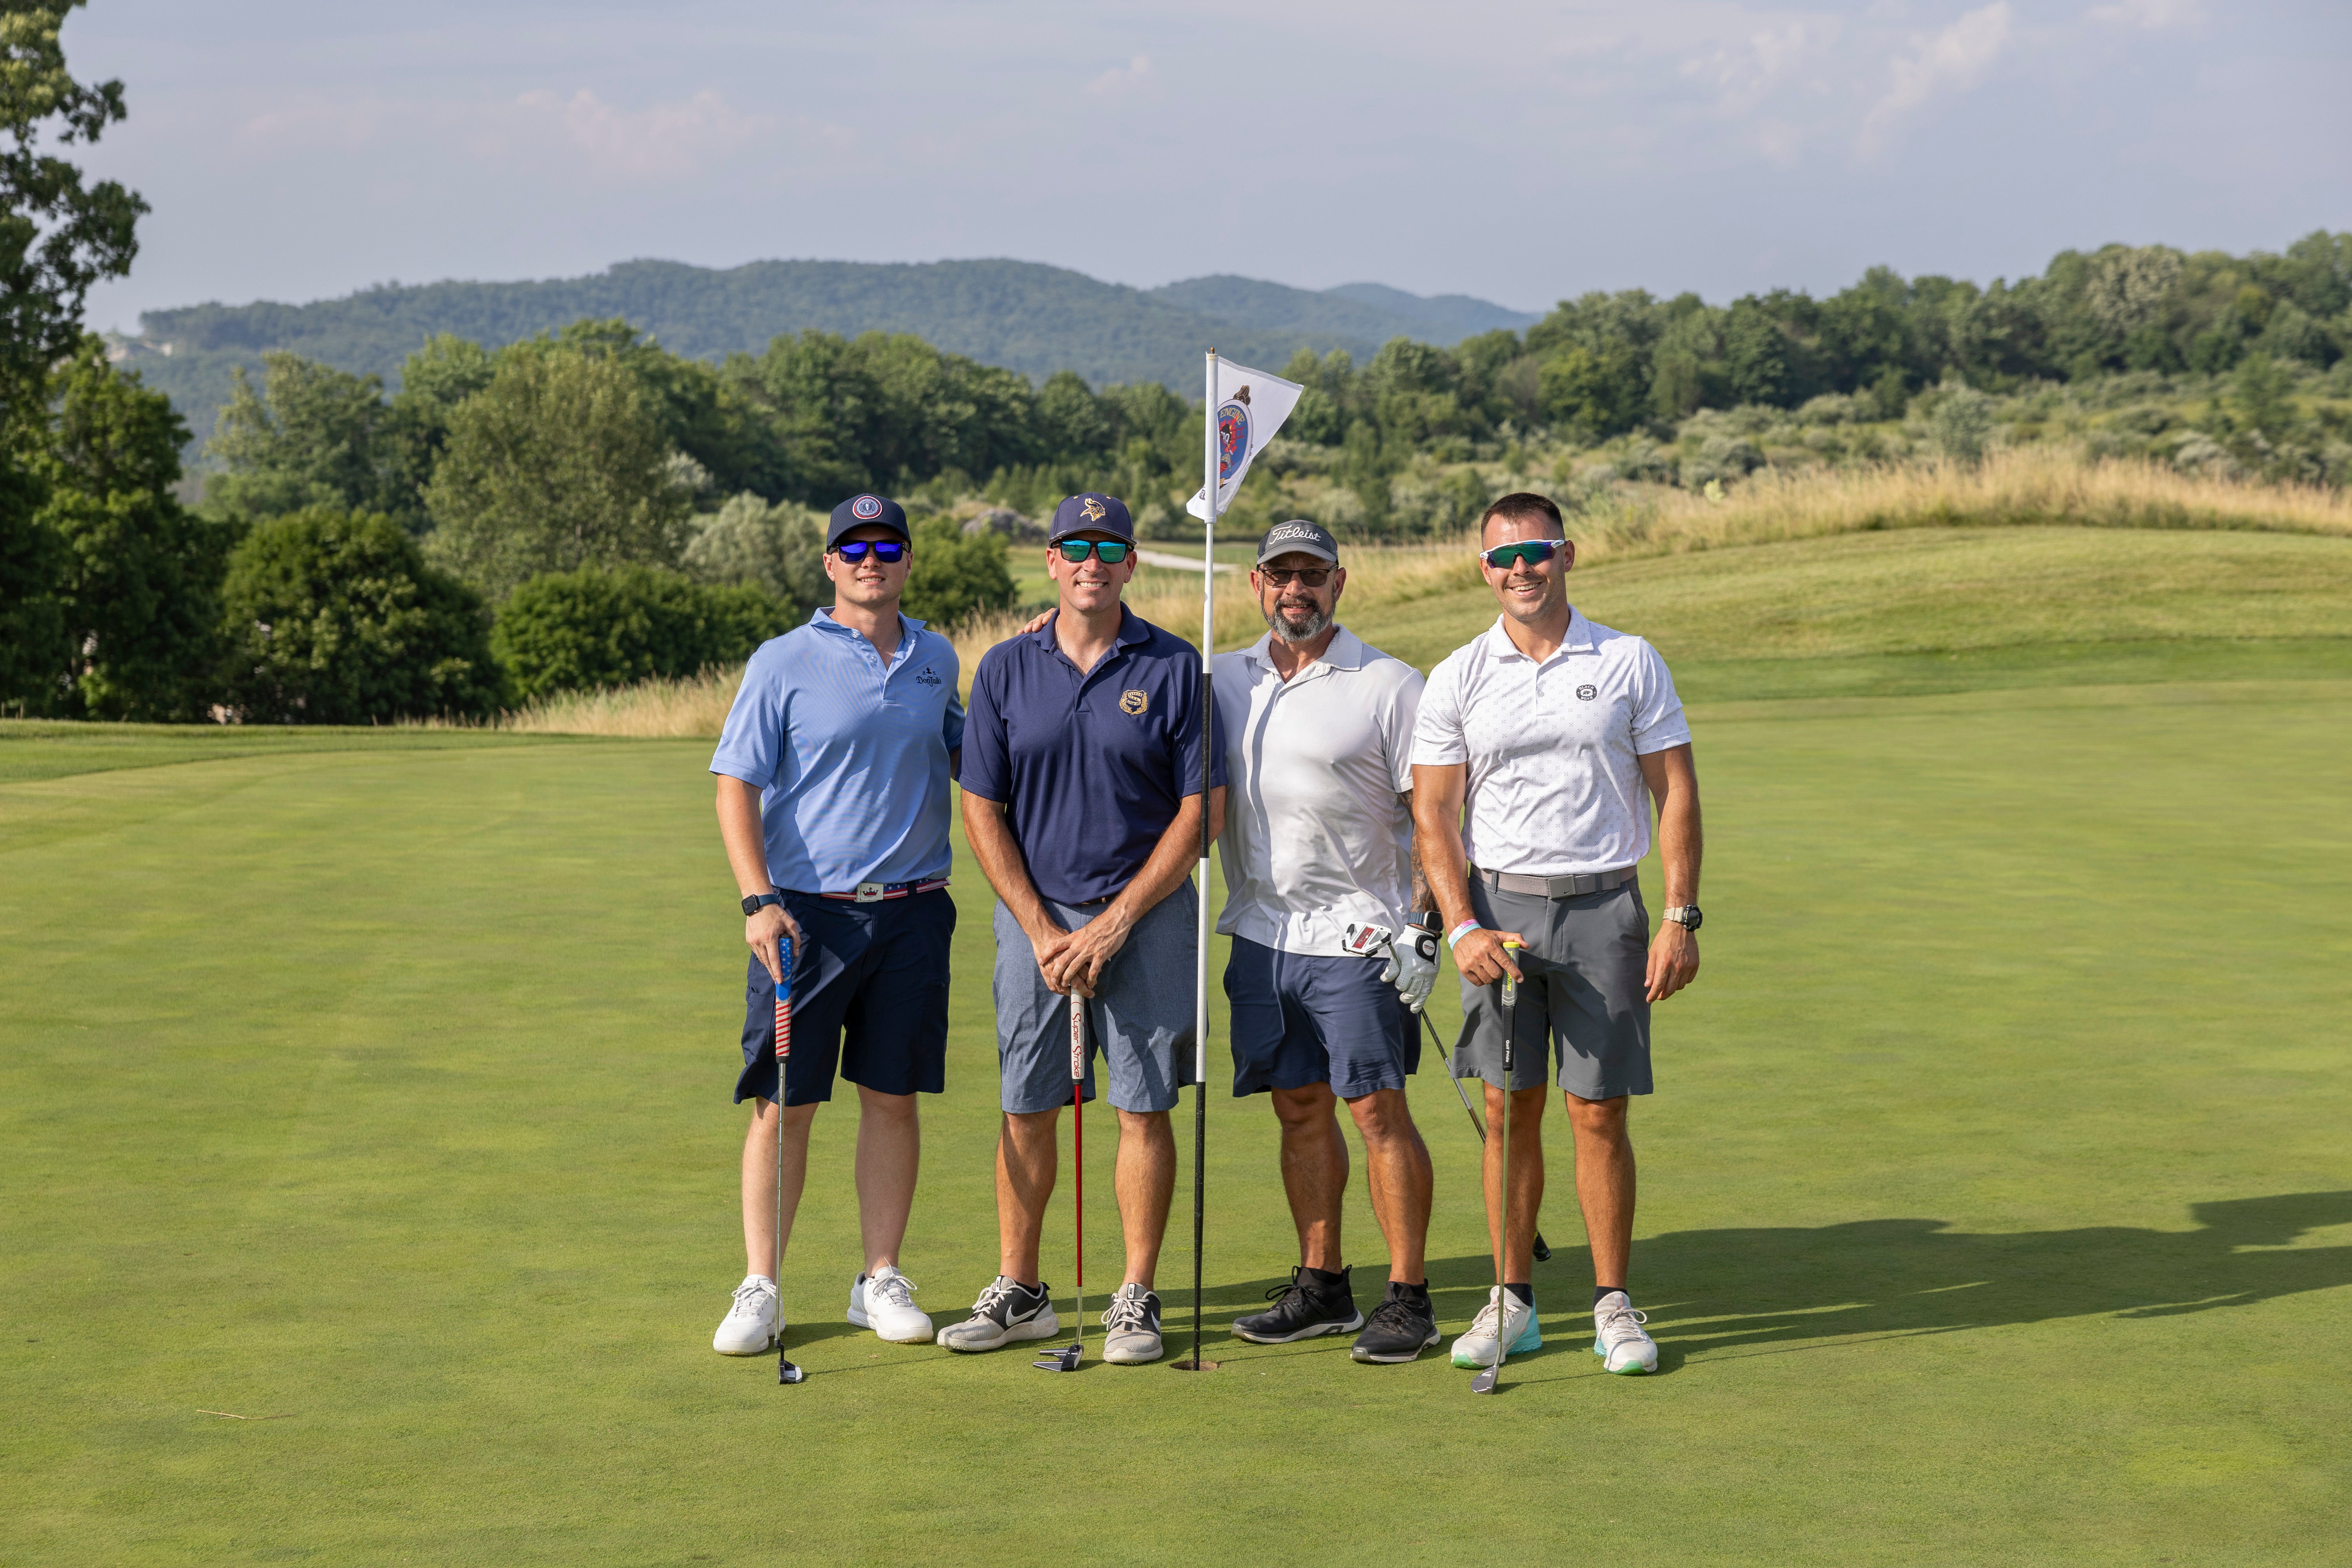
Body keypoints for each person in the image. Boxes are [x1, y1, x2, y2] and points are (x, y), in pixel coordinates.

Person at [1410, 491, 1704, 1378]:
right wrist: (1459, 923)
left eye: (1536, 551)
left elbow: (1676, 790)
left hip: (1605, 908)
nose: (1521, 570)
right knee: (1507, 1109)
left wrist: (1681, 913)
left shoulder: (1628, 658)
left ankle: (1613, 1302)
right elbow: (1432, 811)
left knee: (1598, 1110)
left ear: (1567, 554)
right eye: (1503, 557)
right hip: (1499, 912)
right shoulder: (1459, 671)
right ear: (1484, 568)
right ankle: (1513, 1302)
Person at [940, 492, 1227, 1366]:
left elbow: (1201, 811)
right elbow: (981, 805)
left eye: (1109, 545)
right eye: (1075, 545)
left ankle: (1134, 1295)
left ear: (1131, 561)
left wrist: (1115, 922)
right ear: (1053, 561)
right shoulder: (1003, 668)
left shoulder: (1176, 667)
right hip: (1037, 923)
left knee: (1143, 1105)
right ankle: (1022, 1289)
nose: (1091, 560)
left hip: (1146, 913)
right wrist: (1038, 925)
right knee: (1027, 1103)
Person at [707, 493, 964, 1357]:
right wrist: (756, 898)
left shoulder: (938, 657)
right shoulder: (781, 661)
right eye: (852, 547)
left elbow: (971, 751)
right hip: (805, 916)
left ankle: (878, 1277)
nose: (870, 559)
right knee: (786, 1103)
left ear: (907, 559)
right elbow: (735, 785)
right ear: (829, 563)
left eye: (886, 545)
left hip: (915, 910)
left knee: (892, 1097)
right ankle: (763, 1284)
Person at [1212, 520, 1446, 1363]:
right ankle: (1324, 1285)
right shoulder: (1223, 674)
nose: (1295, 589)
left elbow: (1432, 817)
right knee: (1299, 1106)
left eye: (1312, 574)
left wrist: (1425, 928)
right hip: (1261, 933)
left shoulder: (1387, 682)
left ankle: (1409, 1295)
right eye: (1281, 574)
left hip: (1361, 937)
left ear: (1339, 583)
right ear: (1256, 583)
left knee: (1378, 1110)